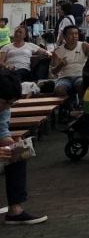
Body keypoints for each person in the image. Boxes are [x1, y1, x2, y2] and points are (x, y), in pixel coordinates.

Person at [0, 70, 46, 224]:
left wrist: (12, 144)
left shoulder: (4, 109)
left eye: (11, 104)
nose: (7, 108)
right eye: (5, 103)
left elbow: (2, 131)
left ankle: (15, 211)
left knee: (17, 156)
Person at [50, 25, 89, 104]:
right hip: (64, 77)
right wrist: (60, 65)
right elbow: (53, 71)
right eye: (71, 34)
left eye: (76, 34)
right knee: (59, 90)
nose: (74, 36)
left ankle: (83, 107)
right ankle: (71, 110)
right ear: (64, 36)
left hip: (80, 75)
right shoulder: (58, 51)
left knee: (81, 84)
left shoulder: (84, 46)